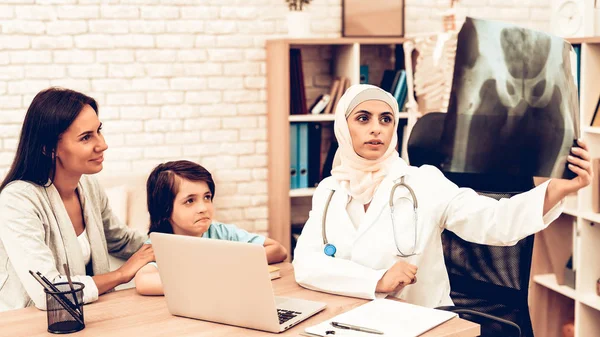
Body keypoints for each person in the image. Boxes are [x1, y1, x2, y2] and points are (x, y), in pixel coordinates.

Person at [292, 84, 592, 308]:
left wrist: (555, 189)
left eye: (386, 119)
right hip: (349, 318)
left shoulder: (422, 182)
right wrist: (377, 281)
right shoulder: (330, 191)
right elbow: (305, 264)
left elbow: (495, 221)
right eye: (363, 118)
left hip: (419, 321)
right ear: (343, 128)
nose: (376, 129)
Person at [0, 87, 153, 311]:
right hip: (25, 321)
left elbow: (122, 241)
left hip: (86, 316)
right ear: (49, 149)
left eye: (99, 131)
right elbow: (49, 292)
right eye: (86, 137)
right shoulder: (17, 201)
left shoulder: (89, 186)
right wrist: (121, 274)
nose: (102, 144)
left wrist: (172, 244)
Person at [134, 160, 287, 295]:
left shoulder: (221, 232)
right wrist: (211, 276)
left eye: (207, 197)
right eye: (190, 201)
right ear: (165, 209)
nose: (203, 208)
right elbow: (144, 282)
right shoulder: (160, 244)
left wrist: (228, 264)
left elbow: (278, 250)